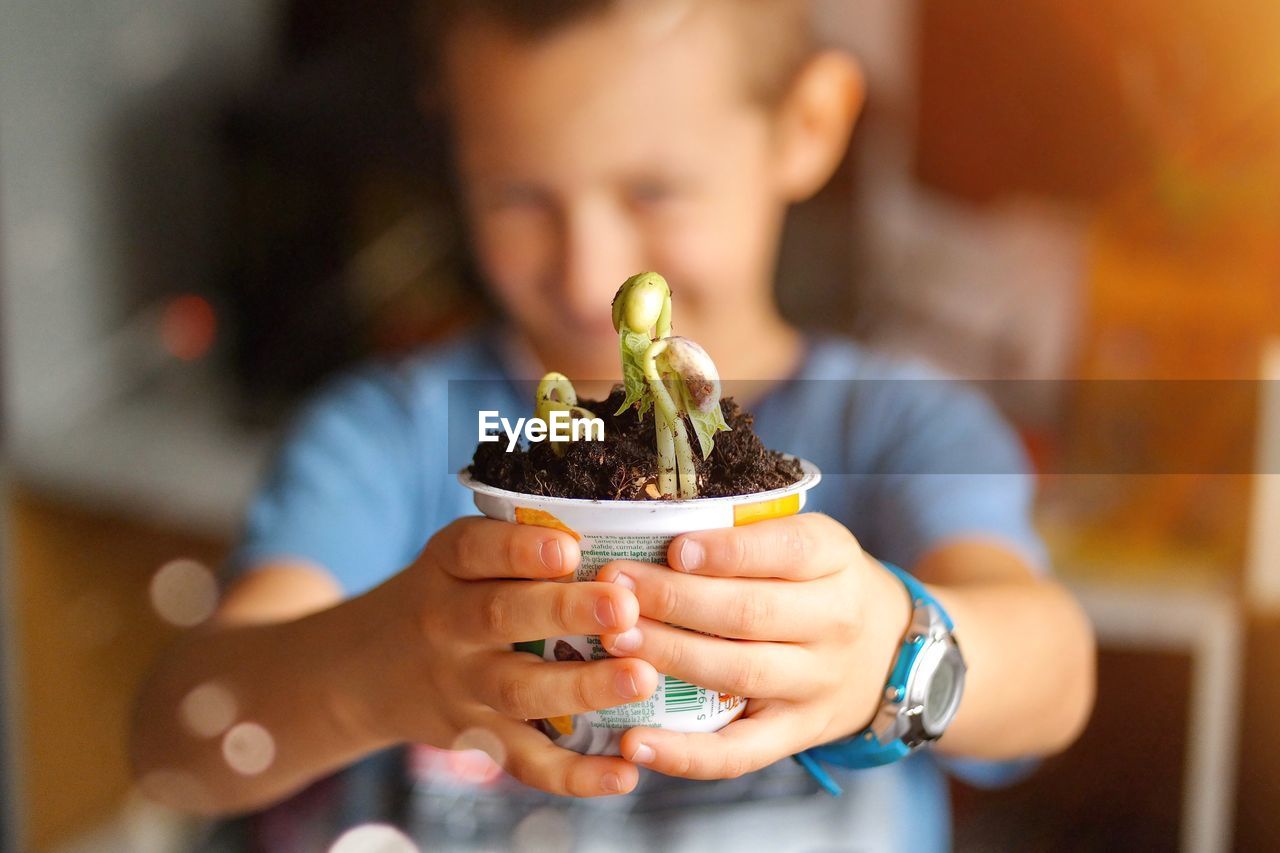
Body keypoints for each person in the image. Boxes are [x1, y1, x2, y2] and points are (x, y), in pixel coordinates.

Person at [130, 1, 1096, 849]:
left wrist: (894, 646)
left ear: (807, 124)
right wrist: (373, 667)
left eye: (653, 191)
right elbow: (178, 741)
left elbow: (1053, 676)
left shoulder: (903, 427)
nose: (590, 273)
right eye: (518, 195)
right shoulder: (389, 434)